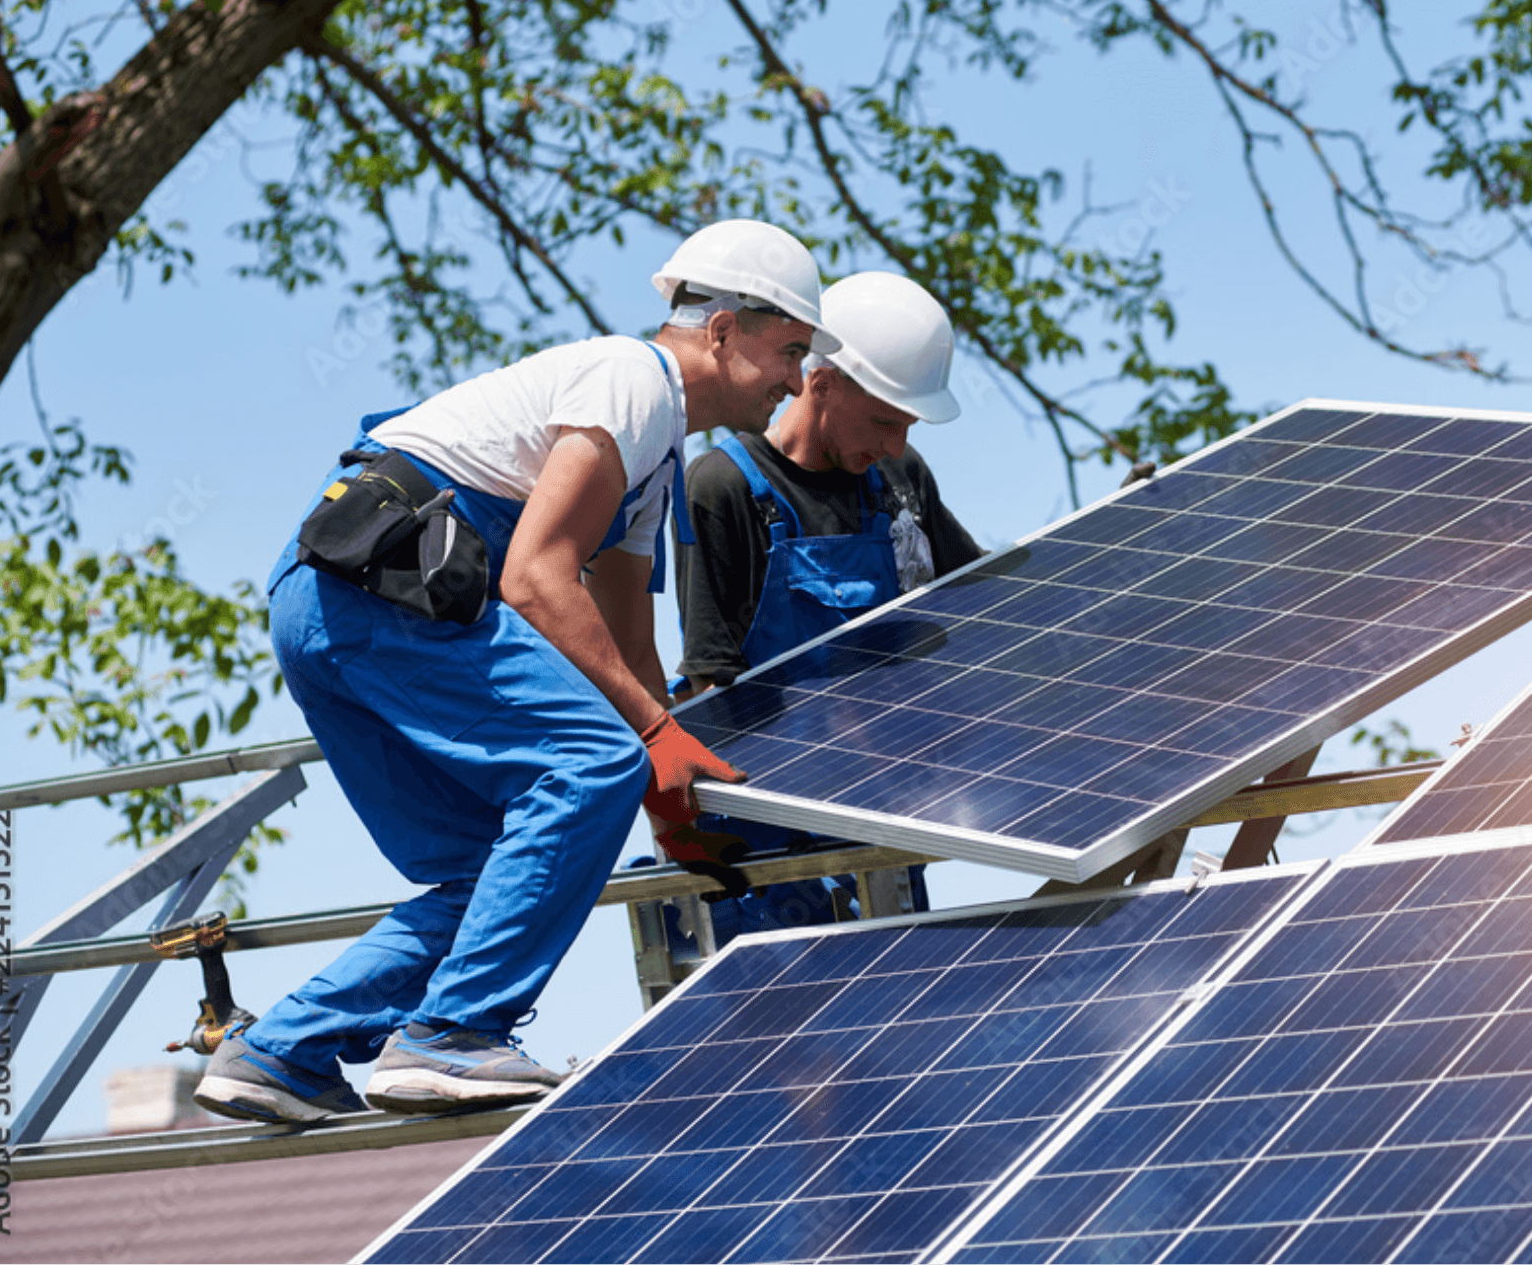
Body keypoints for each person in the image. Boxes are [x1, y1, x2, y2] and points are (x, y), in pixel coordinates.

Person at [194, 219, 839, 1124]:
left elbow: (623, 634)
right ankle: (453, 1032)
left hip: (328, 603)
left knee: (493, 872)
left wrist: (665, 789)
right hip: (394, 597)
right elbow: (536, 578)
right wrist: (645, 744)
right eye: (790, 350)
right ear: (724, 330)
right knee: (585, 769)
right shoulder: (633, 382)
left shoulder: (653, 461)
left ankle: (280, 1051)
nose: (793, 377)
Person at [670, 271, 983, 942]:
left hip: (883, 823)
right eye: (884, 421)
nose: (896, 445)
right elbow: (709, 686)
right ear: (822, 382)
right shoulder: (722, 488)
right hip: (772, 858)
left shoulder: (901, 480)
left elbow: (986, 607)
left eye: (907, 427)